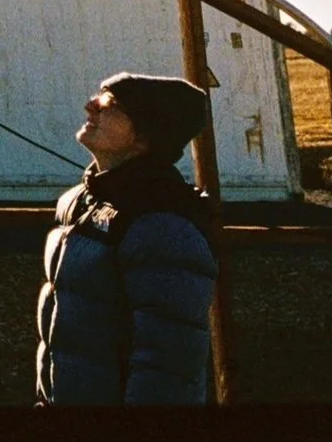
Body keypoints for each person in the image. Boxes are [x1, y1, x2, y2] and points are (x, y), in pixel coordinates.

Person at [34, 71, 219, 405]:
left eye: (112, 104)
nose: (91, 106)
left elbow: (168, 363)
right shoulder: (80, 201)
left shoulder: (161, 221)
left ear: (145, 137)